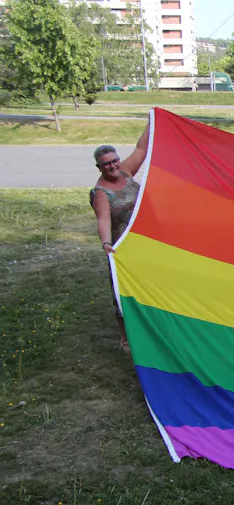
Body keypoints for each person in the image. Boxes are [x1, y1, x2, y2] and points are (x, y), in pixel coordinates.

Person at [89, 123, 150, 355]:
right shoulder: (101, 193)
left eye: (115, 160)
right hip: (122, 249)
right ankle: (125, 337)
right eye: (107, 163)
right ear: (99, 167)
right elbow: (103, 219)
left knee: (147, 286)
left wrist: (151, 121)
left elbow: (141, 149)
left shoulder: (125, 170)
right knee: (123, 293)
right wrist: (106, 243)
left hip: (143, 242)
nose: (113, 165)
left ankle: (148, 326)